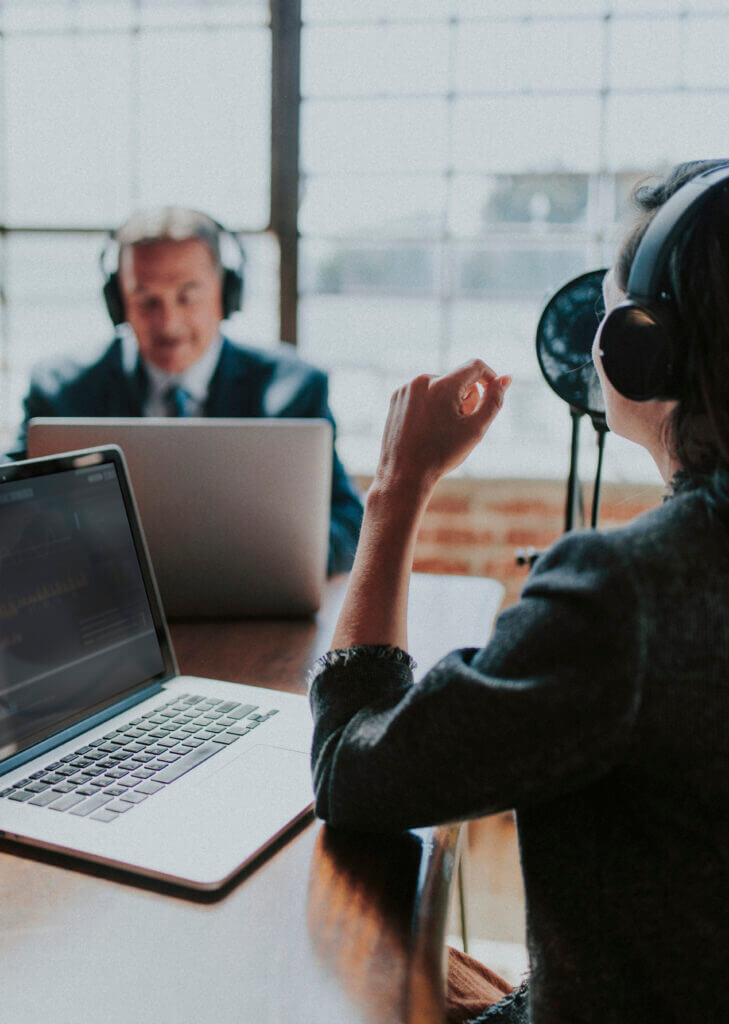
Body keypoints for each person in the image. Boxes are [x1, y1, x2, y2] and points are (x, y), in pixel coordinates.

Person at [307, 159, 729, 1023]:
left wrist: (398, 487)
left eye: (612, 307)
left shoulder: (625, 593)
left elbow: (352, 767)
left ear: (644, 350)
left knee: (331, 964)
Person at [8, 207, 363, 575]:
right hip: (107, 610)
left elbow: (351, 524)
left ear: (225, 294)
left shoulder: (294, 388)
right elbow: (9, 504)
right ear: (118, 302)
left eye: (187, 295)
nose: (168, 323)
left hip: (245, 604)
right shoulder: (60, 390)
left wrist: (279, 558)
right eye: (146, 299)